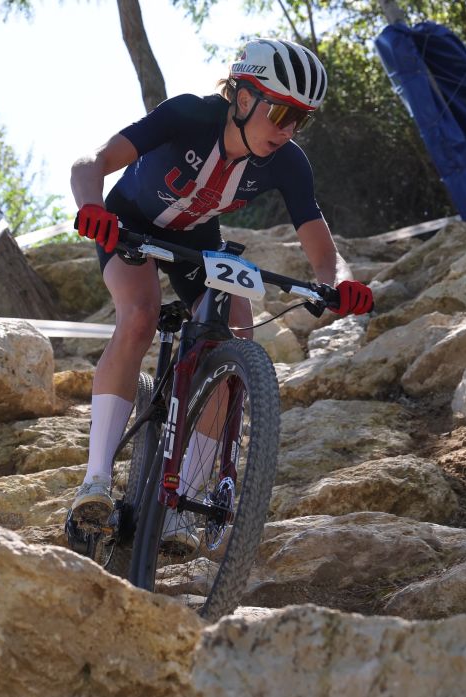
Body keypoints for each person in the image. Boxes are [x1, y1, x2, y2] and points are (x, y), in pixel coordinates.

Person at [67, 38, 373, 548]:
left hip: (198, 240)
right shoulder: (189, 114)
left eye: (302, 119)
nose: (288, 129)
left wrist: (339, 281)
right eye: (280, 111)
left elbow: (320, 243)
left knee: (237, 341)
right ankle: (94, 481)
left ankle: (181, 501)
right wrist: (91, 205)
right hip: (129, 223)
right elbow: (91, 160)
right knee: (139, 315)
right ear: (244, 97)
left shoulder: (287, 162)